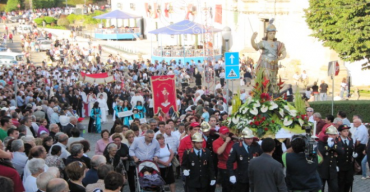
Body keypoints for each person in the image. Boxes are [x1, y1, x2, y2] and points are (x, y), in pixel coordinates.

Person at [251, 19, 286, 94]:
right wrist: (252, 39)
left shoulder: (278, 44)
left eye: (274, 33)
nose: (272, 35)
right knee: (266, 79)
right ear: (267, 34)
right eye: (270, 33)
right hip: (265, 64)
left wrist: (282, 57)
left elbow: (284, 52)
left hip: (274, 65)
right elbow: (256, 46)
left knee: (273, 80)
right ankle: (265, 93)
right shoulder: (263, 43)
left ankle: (272, 93)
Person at [317, 125, 344, 192]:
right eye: (331, 135)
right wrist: (328, 146)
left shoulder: (337, 142)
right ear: (327, 135)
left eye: (334, 135)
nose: (333, 137)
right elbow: (320, 152)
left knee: (334, 188)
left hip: (332, 170)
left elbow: (341, 151)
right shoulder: (322, 142)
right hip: (323, 169)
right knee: (320, 188)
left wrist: (333, 146)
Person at [212, 126, 236, 192]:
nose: (226, 135)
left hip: (234, 166)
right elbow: (219, 152)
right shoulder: (216, 142)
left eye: (227, 133)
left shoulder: (232, 141)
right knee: (226, 187)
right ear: (220, 134)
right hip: (224, 166)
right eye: (224, 133)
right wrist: (226, 142)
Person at [336, 125, 355, 192]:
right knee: (341, 182)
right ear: (340, 132)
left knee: (349, 181)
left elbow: (351, 149)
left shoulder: (350, 140)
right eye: (344, 131)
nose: (346, 132)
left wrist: (354, 154)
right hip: (340, 165)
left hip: (349, 165)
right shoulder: (337, 140)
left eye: (347, 131)